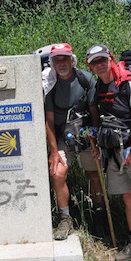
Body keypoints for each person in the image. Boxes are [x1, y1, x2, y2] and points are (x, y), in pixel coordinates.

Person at [85, 44, 131, 261]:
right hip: (112, 152)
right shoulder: (99, 86)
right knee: (128, 198)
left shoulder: (129, 82)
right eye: (94, 62)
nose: (99, 65)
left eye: (102, 59)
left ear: (110, 58)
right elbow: (101, 117)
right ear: (90, 66)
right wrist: (97, 143)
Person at [43, 43, 103, 240]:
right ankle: (65, 218)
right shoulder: (49, 85)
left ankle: (98, 214)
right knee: (58, 173)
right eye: (57, 59)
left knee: (93, 174)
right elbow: (49, 121)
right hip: (62, 134)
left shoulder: (85, 79)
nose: (61, 63)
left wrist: (94, 137)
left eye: (65, 58)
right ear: (52, 62)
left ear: (72, 60)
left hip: (85, 131)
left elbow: (94, 110)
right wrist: (53, 151)